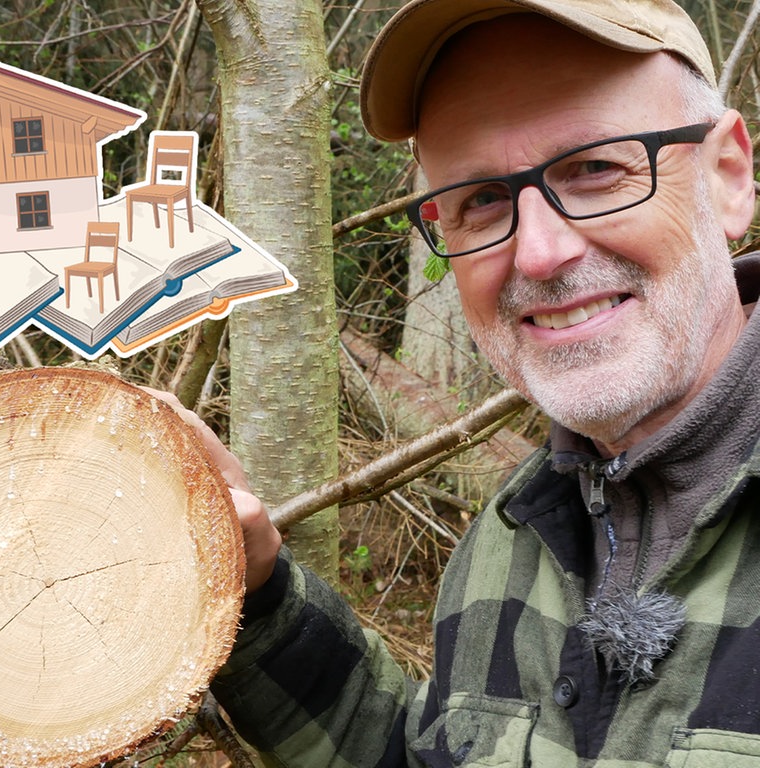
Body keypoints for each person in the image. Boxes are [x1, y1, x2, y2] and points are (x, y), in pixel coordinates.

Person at [188, 0, 760, 765]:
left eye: (595, 167)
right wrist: (256, 594)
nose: (538, 254)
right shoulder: (511, 533)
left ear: (727, 177)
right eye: (483, 199)